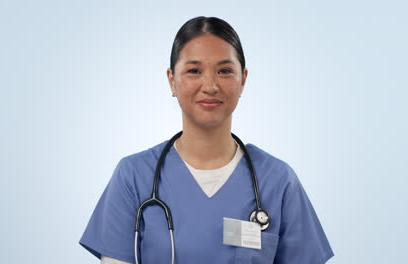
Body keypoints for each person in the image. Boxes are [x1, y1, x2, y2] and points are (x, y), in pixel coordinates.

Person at [79, 16, 334, 264]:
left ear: (243, 79)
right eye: (194, 71)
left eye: (224, 70)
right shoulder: (133, 177)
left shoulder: (278, 181)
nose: (210, 85)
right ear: (172, 80)